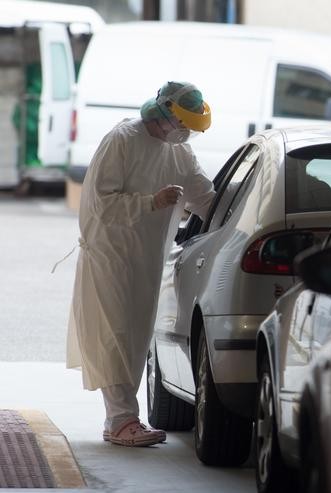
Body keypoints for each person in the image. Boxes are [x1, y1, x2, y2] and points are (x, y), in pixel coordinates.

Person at [66, 81, 216, 447]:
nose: (185, 135)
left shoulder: (178, 154)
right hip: (111, 256)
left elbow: (204, 196)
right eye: (184, 126)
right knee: (115, 334)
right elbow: (99, 204)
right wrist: (151, 201)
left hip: (147, 257)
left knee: (135, 338)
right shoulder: (123, 140)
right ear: (165, 113)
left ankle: (123, 420)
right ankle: (120, 421)